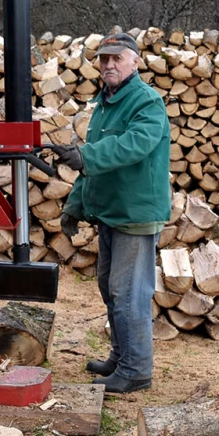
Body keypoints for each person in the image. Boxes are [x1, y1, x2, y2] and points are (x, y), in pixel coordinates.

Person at [50, 31, 171, 393]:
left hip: (135, 215)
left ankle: (136, 370)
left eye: (117, 58)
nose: (109, 65)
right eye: (104, 59)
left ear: (135, 61)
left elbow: (131, 147)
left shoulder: (146, 103)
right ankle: (121, 357)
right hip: (112, 214)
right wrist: (74, 206)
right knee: (109, 288)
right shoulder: (106, 103)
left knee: (128, 293)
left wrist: (86, 156)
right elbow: (98, 163)